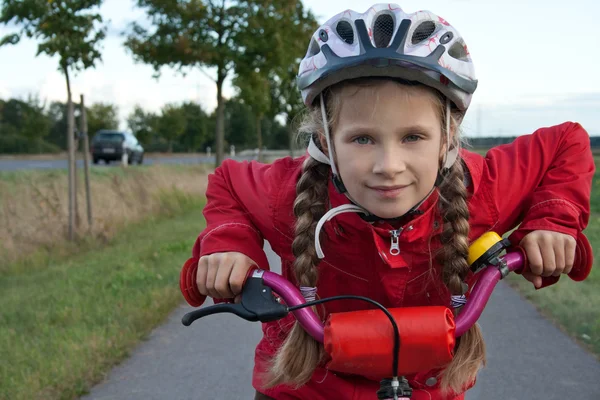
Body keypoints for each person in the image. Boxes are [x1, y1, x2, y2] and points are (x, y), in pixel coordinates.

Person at [180, 3, 595, 399]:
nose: (388, 166)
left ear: (448, 136)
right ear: (325, 140)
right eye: (362, 139)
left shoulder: (480, 188)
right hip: (304, 386)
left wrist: (552, 222)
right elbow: (229, 183)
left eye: (413, 137)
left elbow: (567, 143)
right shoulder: (286, 192)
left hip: (428, 388)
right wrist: (228, 243)